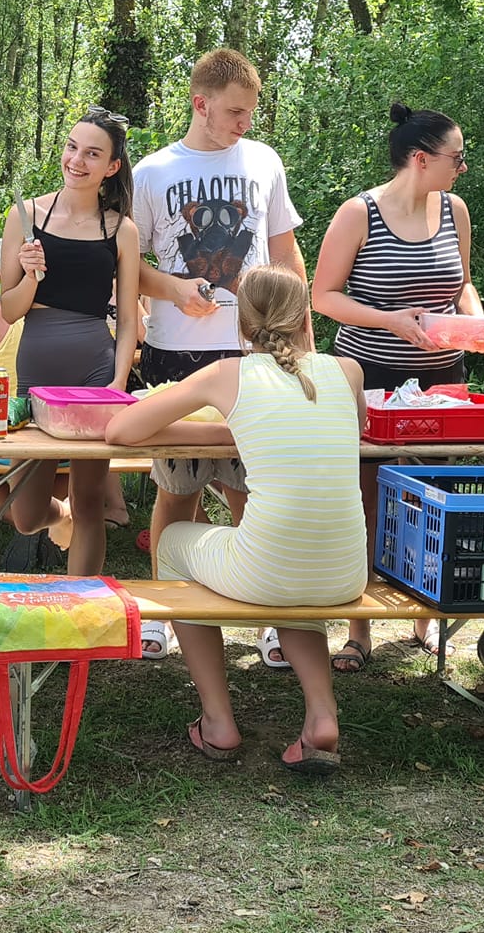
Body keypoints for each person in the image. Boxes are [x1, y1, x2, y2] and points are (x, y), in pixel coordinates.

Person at [105, 268, 366, 773]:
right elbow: (354, 428)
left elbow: (121, 430)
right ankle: (321, 714)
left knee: (173, 542)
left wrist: (225, 431)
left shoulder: (227, 375)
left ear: (242, 325)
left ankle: (218, 721)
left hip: (270, 572)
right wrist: (238, 432)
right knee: (297, 563)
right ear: (305, 318)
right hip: (345, 573)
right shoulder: (348, 370)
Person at [132, 48, 307, 666]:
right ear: (199, 104)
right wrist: (174, 289)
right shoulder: (152, 172)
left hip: (254, 351)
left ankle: (268, 617)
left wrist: (302, 340)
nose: (244, 124)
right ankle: (163, 610)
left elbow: (284, 254)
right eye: (234, 112)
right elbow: (127, 266)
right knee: (177, 491)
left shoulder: (264, 161)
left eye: (249, 113)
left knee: (253, 493)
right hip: (175, 355)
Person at [309, 101, 484, 669]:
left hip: (443, 379)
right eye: (456, 157)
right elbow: (323, 296)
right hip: (370, 376)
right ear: (420, 158)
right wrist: (390, 321)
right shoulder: (358, 213)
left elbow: (462, 285)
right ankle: (358, 628)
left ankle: (424, 619)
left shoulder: (455, 210)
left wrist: (477, 323)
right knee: (364, 499)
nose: (462, 167)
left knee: (434, 495)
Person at [0, 107, 143, 576]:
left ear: (111, 166)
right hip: (37, 371)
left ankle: (85, 608)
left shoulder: (121, 229)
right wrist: (31, 275)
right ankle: (61, 521)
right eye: (72, 147)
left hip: (96, 371)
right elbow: (9, 310)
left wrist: (117, 382)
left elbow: (127, 318)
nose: (77, 160)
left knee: (90, 499)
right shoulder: (25, 216)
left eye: (92, 153)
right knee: (26, 515)